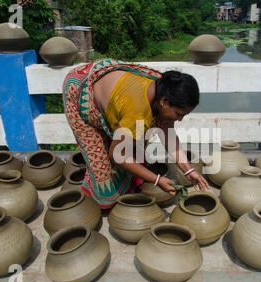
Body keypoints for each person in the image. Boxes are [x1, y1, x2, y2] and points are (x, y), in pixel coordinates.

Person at [63, 58, 210, 209]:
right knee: (105, 190)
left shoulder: (165, 87)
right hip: (80, 89)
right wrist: (157, 180)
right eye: (179, 114)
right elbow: (118, 155)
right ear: (164, 101)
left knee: (139, 151)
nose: (179, 120)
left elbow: (168, 135)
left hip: (114, 88)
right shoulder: (137, 114)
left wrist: (189, 170)